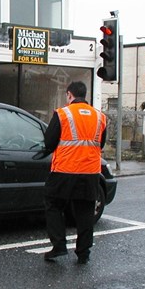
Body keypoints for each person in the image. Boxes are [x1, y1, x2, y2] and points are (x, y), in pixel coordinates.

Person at [42, 81, 107, 263]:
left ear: (69, 94)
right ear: (84, 95)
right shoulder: (100, 117)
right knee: (85, 211)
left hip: (64, 170)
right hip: (90, 172)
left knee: (53, 205)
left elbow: (49, 143)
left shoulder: (63, 114)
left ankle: (59, 246)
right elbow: (100, 144)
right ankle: (83, 253)